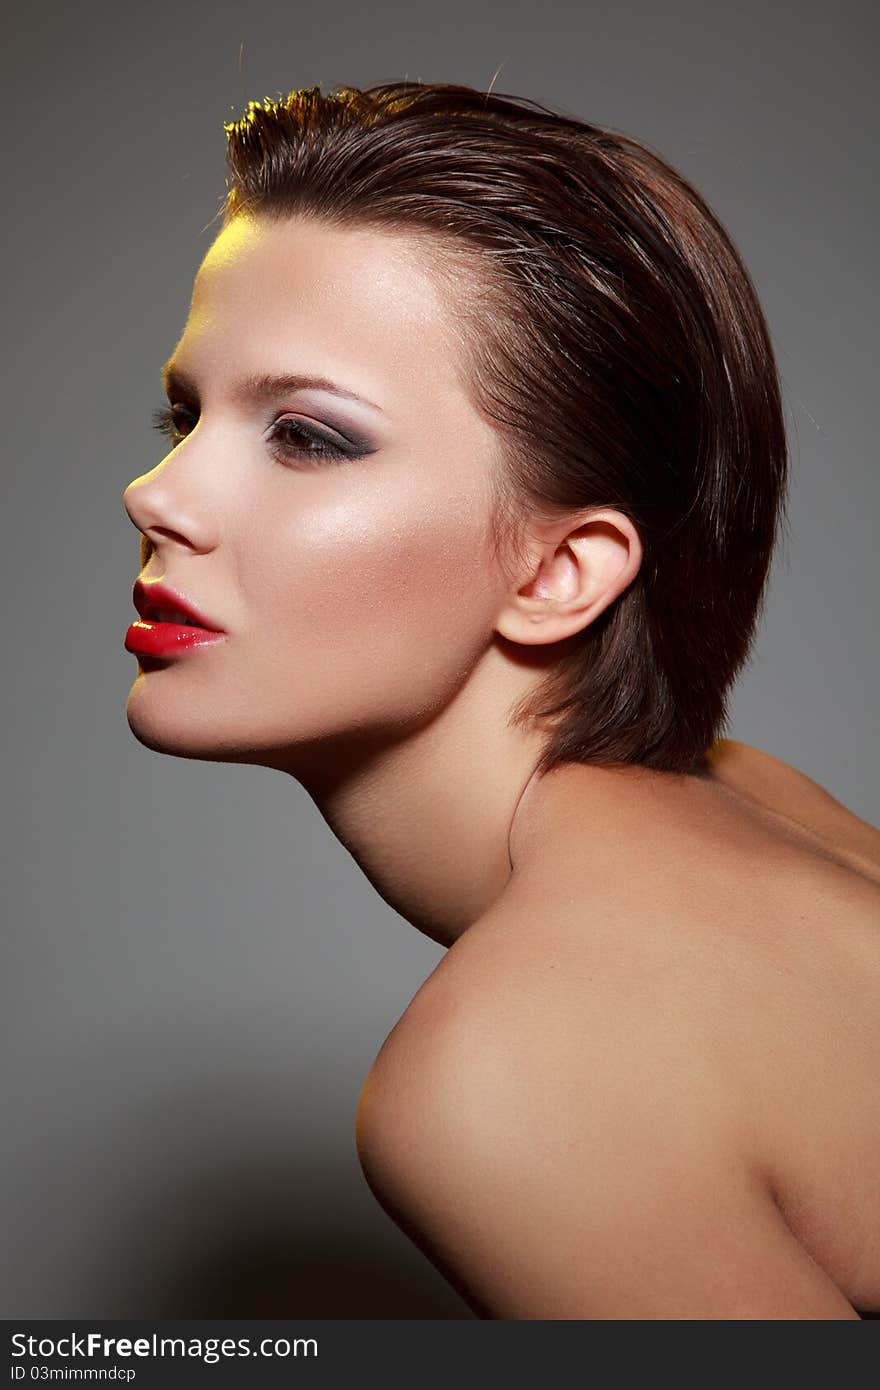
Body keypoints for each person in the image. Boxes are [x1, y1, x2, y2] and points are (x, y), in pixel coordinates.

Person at [121, 80, 880, 1320]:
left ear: (555, 571)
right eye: (186, 413)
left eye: (307, 436)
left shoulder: (513, 1073)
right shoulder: (748, 801)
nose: (157, 493)